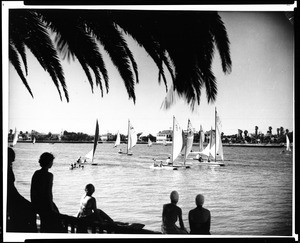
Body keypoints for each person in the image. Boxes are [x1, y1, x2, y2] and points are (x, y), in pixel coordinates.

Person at [30, 152, 65, 233]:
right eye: (51, 161)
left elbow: (33, 191)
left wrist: (34, 204)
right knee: (54, 223)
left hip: (37, 204)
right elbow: (48, 193)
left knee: (44, 224)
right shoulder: (49, 175)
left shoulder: (36, 173)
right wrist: (51, 207)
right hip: (46, 204)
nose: (52, 163)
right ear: (48, 162)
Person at [7, 147, 37, 232]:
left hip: (12, 194)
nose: (14, 159)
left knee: (27, 209)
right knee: (30, 209)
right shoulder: (7, 168)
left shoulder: (9, 167)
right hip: (11, 195)